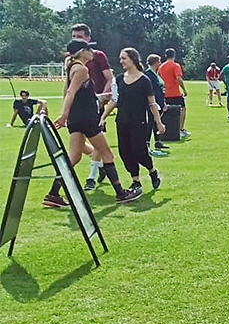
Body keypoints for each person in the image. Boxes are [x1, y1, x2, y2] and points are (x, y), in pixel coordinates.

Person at [43, 40, 139, 206]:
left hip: (76, 119)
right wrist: (63, 115)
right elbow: (71, 93)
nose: (92, 51)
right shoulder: (81, 69)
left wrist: (68, 115)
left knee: (73, 157)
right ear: (82, 52)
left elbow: (68, 92)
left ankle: (53, 194)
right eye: (89, 48)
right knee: (107, 154)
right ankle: (120, 193)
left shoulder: (71, 67)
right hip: (86, 119)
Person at [100, 48, 165, 195]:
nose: (121, 61)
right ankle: (136, 181)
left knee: (139, 152)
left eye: (124, 58)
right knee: (125, 152)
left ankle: (152, 171)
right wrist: (103, 117)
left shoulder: (144, 80)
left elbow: (152, 103)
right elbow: (114, 100)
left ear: (133, 59)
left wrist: (159, 122)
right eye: (121, 58)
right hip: (122, 121)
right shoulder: (119, 79)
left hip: (138, 122)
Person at [71, 23, 113, 188]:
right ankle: (102, 165)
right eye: (74, 36)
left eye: (80, 37)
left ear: (88, 39)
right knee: (78, 147)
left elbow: (109, 78)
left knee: (96, 140)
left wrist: (102, 99)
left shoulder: (98, 55)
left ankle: (91, 177)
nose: (76, 40)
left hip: (94, 103)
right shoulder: (71, 58)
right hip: (77, 107)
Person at [158, 48, 190, 138]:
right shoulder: (176, 65)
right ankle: (180, 129)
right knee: (182, 109)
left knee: (165, 111)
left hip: (165, 93)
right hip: (175, 93)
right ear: (174, 55)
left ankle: (166, 130)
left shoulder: (161, 66)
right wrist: (184, 89)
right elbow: (178, 78)